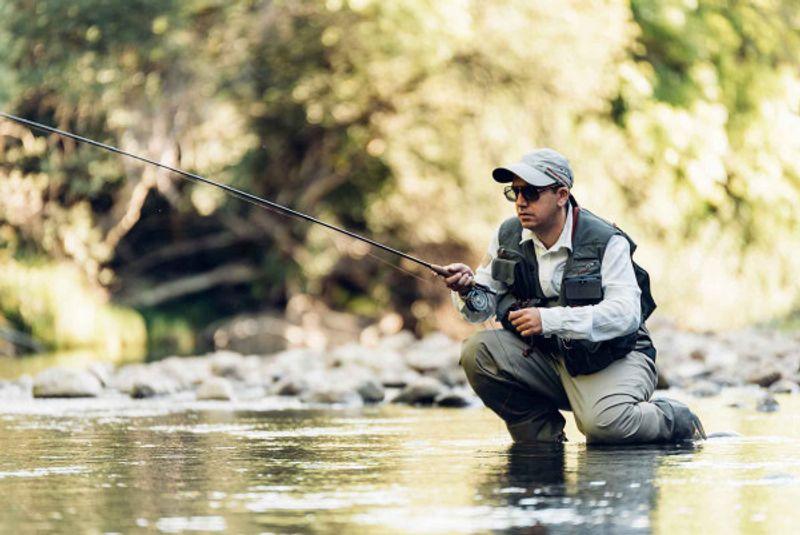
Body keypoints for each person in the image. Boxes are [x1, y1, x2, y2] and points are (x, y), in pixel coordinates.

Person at [442, 148, 705, 444]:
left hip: (614, 356)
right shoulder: (507, 236)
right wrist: (466, 290)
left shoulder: (606, 241)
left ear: (562, 195)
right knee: (477, 352)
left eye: (530, 192)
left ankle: (674, 419)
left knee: (605, 428)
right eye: (513, 192)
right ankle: (541, 437)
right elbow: (480, 308)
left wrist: (549, 320)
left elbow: (626, 314)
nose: (520, 202)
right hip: (548, 357)